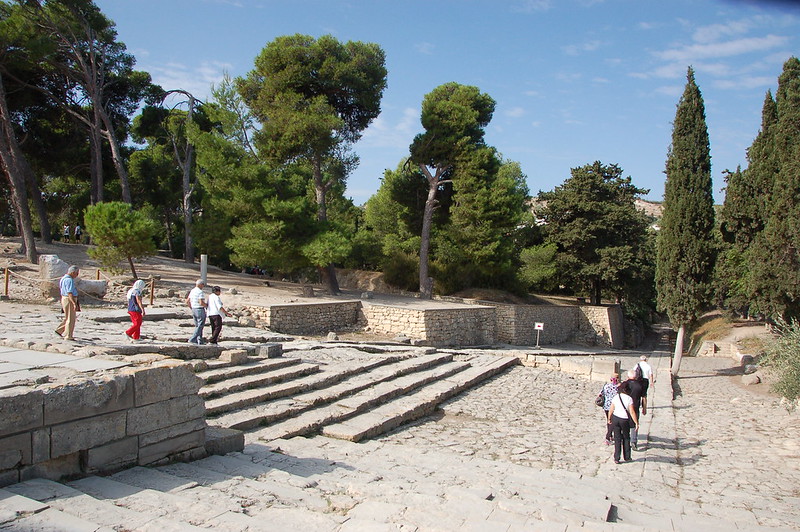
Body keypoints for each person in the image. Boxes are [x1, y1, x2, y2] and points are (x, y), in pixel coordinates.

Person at [607, 380, 639, 464]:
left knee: (617, 438)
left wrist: (609, 418)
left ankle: (616, 458)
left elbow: (611, 409)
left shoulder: (616, 397)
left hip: (615, 418)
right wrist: (636, 422)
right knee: (626, 437)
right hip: (624, 420)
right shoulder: (629, 399)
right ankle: (627, 457)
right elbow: (632, 412)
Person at [54, 266, 80, 340]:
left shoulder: (63, 278)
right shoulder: (69, 280)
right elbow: (69, 292)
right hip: (69, 299)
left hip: (64, 298)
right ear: (73, 272)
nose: (77, 275)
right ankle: (68, 335)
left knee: (67, 317)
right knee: (71, 318)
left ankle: (59, 330)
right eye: (77, 273)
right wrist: (74, 303)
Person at [623, 368, 646, 450]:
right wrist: (644, 408)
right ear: (636, 377)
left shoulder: (625, 384)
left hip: (625, 406)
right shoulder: (640, 385)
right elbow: (644, 397)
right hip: (635, 406)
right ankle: (633, 441)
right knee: (634, 424)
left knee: (625, 423)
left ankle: (625, 439)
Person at [599, 373, 619, 446]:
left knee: (609, 420)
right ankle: (607, 437)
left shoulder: (606, 386)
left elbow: (600, 394)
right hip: (614, 406)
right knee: (613, 422)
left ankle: (610, 435)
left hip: (606, 405)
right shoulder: (617, 387)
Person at [186, 279, 207, 344]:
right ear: (201, 285)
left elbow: (187, 301)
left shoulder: (192, 291)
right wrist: (206, 306)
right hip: (199, 309)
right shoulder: (200, 292)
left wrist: (191, 307)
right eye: (203, 285)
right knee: (200, 326)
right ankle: (192, 339)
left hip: (194, 309)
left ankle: (199, 340)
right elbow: (201, 302)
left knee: (197, 325)